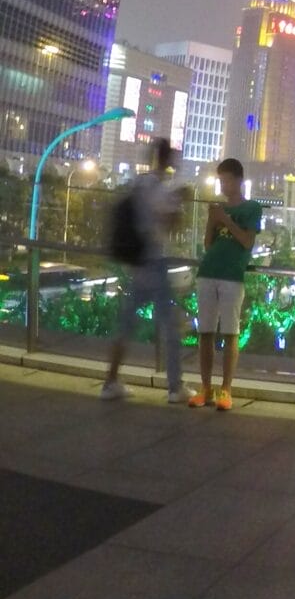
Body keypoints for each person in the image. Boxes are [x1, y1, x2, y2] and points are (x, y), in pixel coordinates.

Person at [101, 140, 188, 403]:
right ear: (168, 159)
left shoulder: (139, 183)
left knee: (126, 325)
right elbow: (172, 225)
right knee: (170, 327)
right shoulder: (160, 189)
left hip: (137, 263)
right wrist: (180, 201)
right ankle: (175, 388)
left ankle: (110, 382)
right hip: (154, 262)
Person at [189, 157, 260, 410]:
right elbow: (208, 244)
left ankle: (226, 390)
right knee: (205, 332)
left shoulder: (252, 208)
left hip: (232, 275)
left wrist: (226, 219)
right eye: (221, 180)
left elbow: (247, 241)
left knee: (230, 333)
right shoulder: (217, 209)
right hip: (208, 272)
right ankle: (206, 388)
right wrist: (212, 220)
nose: (223, 185)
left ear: (239, 180)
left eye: (227, 180)